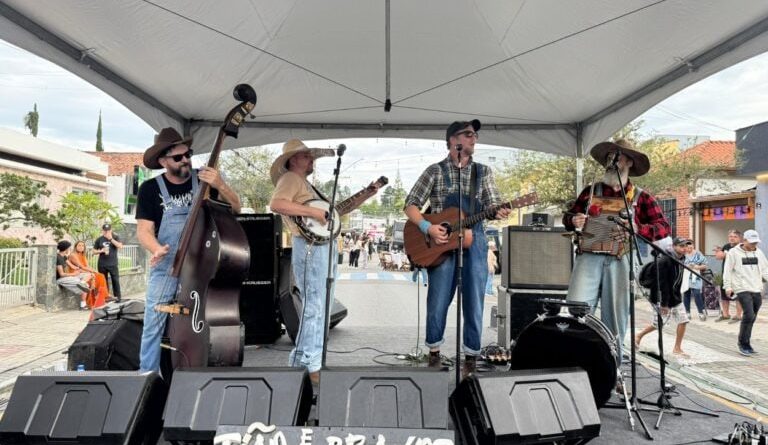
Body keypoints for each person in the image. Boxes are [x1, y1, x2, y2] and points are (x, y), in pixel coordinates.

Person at [404, 119, 510, 377]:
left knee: (474, 301)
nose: (474, 139)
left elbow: (493, 205)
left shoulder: (482, 172)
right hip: (439, 243)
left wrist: (499, 211)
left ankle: (471, 358)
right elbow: (410, 205)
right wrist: (427, 227)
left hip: (475, 240)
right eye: (469, 134)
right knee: (438, 299)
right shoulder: (435, 171)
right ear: (453, 140)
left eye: (475, 135)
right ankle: (434, 353)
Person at [269, 139, 380, 385]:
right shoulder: (290, 179)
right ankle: (305, 363)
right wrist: (314, 212)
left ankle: (312, 360)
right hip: (310, 247)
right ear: (293, 160)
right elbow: (276, 204)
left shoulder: (306, 185)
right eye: (306, 157)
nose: (311, 161)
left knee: (321, 306)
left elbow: (336, 212)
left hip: (321, 246)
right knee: (315, 307)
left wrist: (366, 194)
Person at [136, 127, 241, 374]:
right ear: (163, 161)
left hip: (201, 266)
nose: (186, 160)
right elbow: (143, 231)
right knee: (153, 325)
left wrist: (221, 185)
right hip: (167, 266)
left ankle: (202, 372)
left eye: (188, 154)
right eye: (178, 157)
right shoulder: (150, 189)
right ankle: (146, 377)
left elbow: (237, 208)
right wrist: (156, 248)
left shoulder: (206, 179)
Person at [563, 138, 670, 373]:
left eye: (618, 157)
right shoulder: (591, 191)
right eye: (609, 157)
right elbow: (569, 216)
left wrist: (638, 228)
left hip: (620, 259)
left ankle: (612, 372)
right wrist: (574, 220)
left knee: (616, 318)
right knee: (577, 309)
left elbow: (663, 227)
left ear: (629, 162)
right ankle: (579, 366)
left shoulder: (641, 197)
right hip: (588, 257)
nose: (612, 161)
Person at [635, 237, 692, 358]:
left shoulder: (681, 259)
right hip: (661, 297)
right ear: (674, 246)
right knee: (658, 324)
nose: (684, 248)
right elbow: (661, 284)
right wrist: (664, 304)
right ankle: (639, 335)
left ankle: (677, 348)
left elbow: (677, 280)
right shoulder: (665, 261)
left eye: (686, 246)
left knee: (683, 320)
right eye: (681, 246)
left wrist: (677, 295)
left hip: (675, 296)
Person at [723, 229, 768, 356]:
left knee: (752, 317)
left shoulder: (758, 252)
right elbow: (728, 270)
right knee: (748, 315)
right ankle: (742, 343)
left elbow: (765, 270)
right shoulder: (734, 252)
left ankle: (747, 343)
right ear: (745, 240)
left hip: (756, 288)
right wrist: (728, 287)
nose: (754, 245)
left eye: (756, 242)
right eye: (752, 242)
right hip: (741, 288)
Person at [68, 240, 109, 314]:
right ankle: (102, 297)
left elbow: (87, 266)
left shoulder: (82, 255)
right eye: (79, 245)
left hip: (84, 272)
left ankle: (102, 297)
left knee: (100, 276)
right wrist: (92, 272)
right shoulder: (73, 255)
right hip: (76, 273)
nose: (81, 247)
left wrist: (93, 271)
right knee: (96, 277)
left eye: (82, 246)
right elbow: (81, 266)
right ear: (75, 247)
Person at [715, 229, 744, 322]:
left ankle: (738, 315)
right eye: (730, 236)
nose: (732, 238)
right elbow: (719, 257)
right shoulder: (726, 246)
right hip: (726, 274)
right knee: (724, 295)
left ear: (740, 238)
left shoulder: (742, 247)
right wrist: (719, 252)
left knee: (738, 296)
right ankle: (725, 314)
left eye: (735, 237)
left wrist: (725, 254)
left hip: (737, 276)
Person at [54, 240, 91, 309]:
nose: (70, 249)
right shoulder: (58, 258)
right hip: (61, 279)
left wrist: (80, 270)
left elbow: (73, 266)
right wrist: (73, 274)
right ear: (66, 249)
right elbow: (61, 274)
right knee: (85, 286)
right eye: (69, 248)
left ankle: (81, 283)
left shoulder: (64, 257)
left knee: (88, 275)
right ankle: (83, 305)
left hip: (69, 276)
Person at [93, 223, 123, 301]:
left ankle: (118, 298)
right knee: (103, 281)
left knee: (115, 280)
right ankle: (105, 297)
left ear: (111, 230)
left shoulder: (115, 237)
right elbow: (93, 251)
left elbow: (120, 246)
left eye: (108, 230)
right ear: (102, 231)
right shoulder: (99, 239)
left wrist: (110, 239)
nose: (106, 232)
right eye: (105, 231)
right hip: (102, 264)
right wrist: (101, 251)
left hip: (113, 263)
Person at [682, 241, 709, 321]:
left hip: (696, 277)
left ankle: (701, 312)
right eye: (688, 247)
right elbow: (678, 264)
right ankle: (687, 312)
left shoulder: (698, 254)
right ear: (685, 247)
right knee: (686, 294)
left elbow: (706, 265)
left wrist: (697, 267)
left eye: (691, 247)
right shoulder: (683, 255)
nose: (689, 249)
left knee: (697, 294)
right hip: (685, 277)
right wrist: (686, 266)